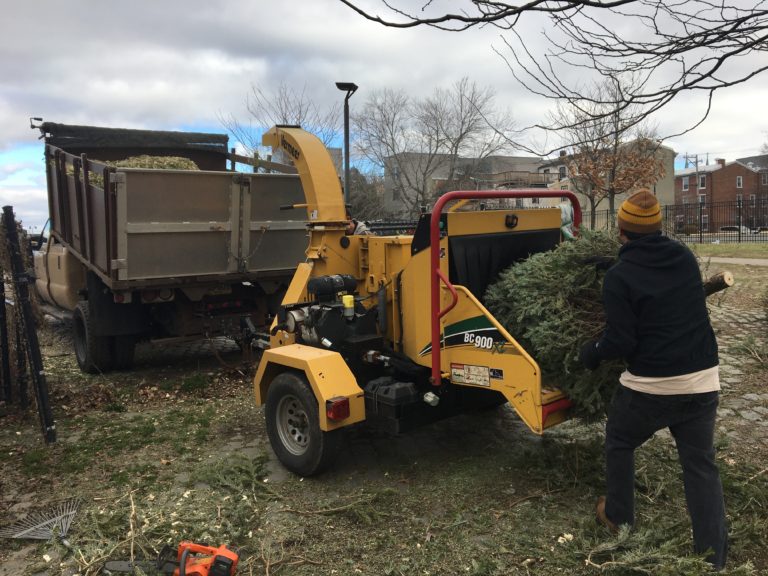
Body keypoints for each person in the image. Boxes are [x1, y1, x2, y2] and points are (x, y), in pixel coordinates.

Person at [579, 189, 727, 570]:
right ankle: (713, 557)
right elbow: (658, 283)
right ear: (659, 227)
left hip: (653, 387)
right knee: (700, 466)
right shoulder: (682, 257)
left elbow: (621, 341)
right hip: (703, 381)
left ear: (621, 229)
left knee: (620, 440)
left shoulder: (620, 278)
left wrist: (590, 354)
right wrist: (613, 264)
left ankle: (618, 516)